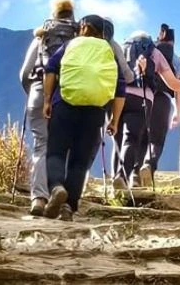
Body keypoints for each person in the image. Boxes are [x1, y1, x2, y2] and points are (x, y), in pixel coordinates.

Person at [41, 14, 125, 221]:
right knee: (80, 162)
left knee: (56, 153)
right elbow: (120, 89)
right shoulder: (109, 50)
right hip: (95, 111)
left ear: (83, 27)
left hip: (65, 104)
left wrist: (47, 100)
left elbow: (50, 69)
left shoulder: (70, 45)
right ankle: (68, 208)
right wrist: (114, 120)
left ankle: (57, 188)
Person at [18, 0, 79, 216]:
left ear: (53, 15)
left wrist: (35, 93)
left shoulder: (42, 37)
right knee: (65, 148)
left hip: (39, 91)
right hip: (69, 96)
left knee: (40, 146)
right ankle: (61, 195)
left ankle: (39, 198)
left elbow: (25, 73)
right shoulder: (77, 37)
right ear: (72, 15)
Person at [112, 30, 180, 189]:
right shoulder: (155, 53)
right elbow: (173, 83)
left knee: (118, 141)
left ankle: (116, 180)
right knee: (133, 139)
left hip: (118, 96)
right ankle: (124, 176)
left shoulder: (121, 48)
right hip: (143, 99)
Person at [140, 23, 179, 176]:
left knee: (141, 135)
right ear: (173, 42)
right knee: (157, 138)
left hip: (145, 96)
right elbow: (178, 86)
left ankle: (134, 173)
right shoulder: (175, 58)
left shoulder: (150, 51)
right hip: (163, 99)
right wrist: (178, 110)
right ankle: (149, 165)